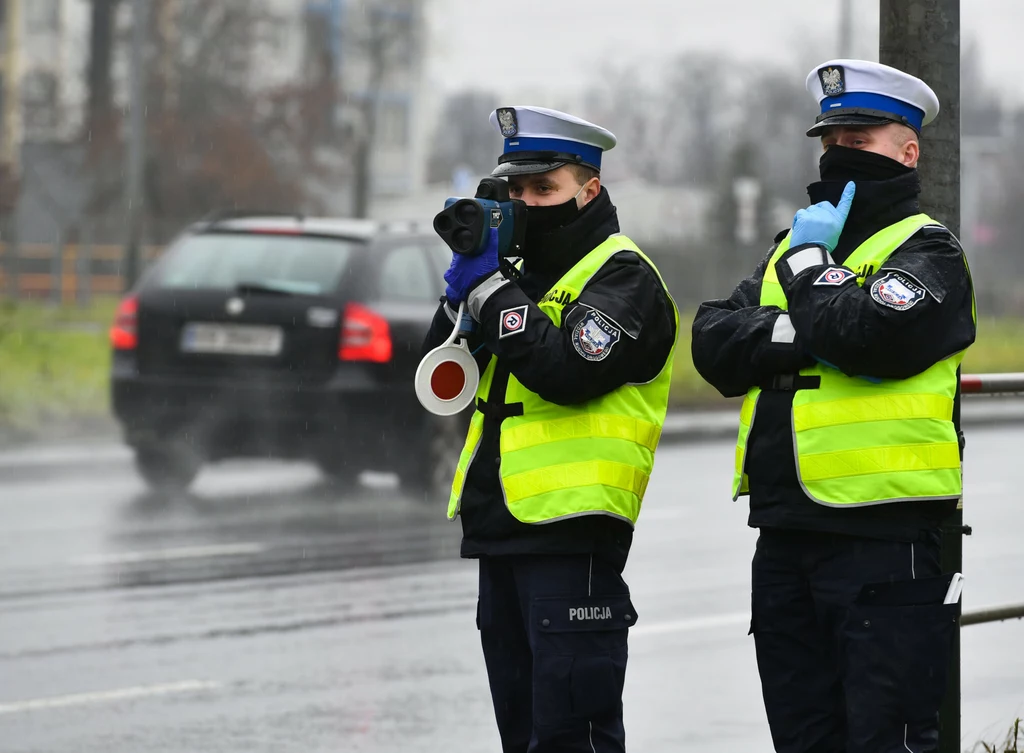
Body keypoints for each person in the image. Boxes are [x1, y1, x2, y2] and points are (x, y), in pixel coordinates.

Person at [691, 60, 977, 753]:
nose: (842, 152)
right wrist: (800, 326)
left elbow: (866, 337)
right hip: (788, 533)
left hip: (887, 540)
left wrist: (812, 273)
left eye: (862, 137)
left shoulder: (930, 252)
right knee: (803, 736)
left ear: (909, 151)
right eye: (832, 139)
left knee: (886, 738)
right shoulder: (791, 247)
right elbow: (713, 341)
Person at [421, 105, 678, 752]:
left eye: (544, 189)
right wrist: (459, 295)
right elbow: (440, 384)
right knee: (523, 734)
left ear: (589, 190)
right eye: (515, 190)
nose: (527, 204)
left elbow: (567, 368)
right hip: (499, 526)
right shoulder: (512, 277)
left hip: (573, 536)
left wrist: (489, 293)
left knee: (572, 738)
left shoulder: (623, 275)